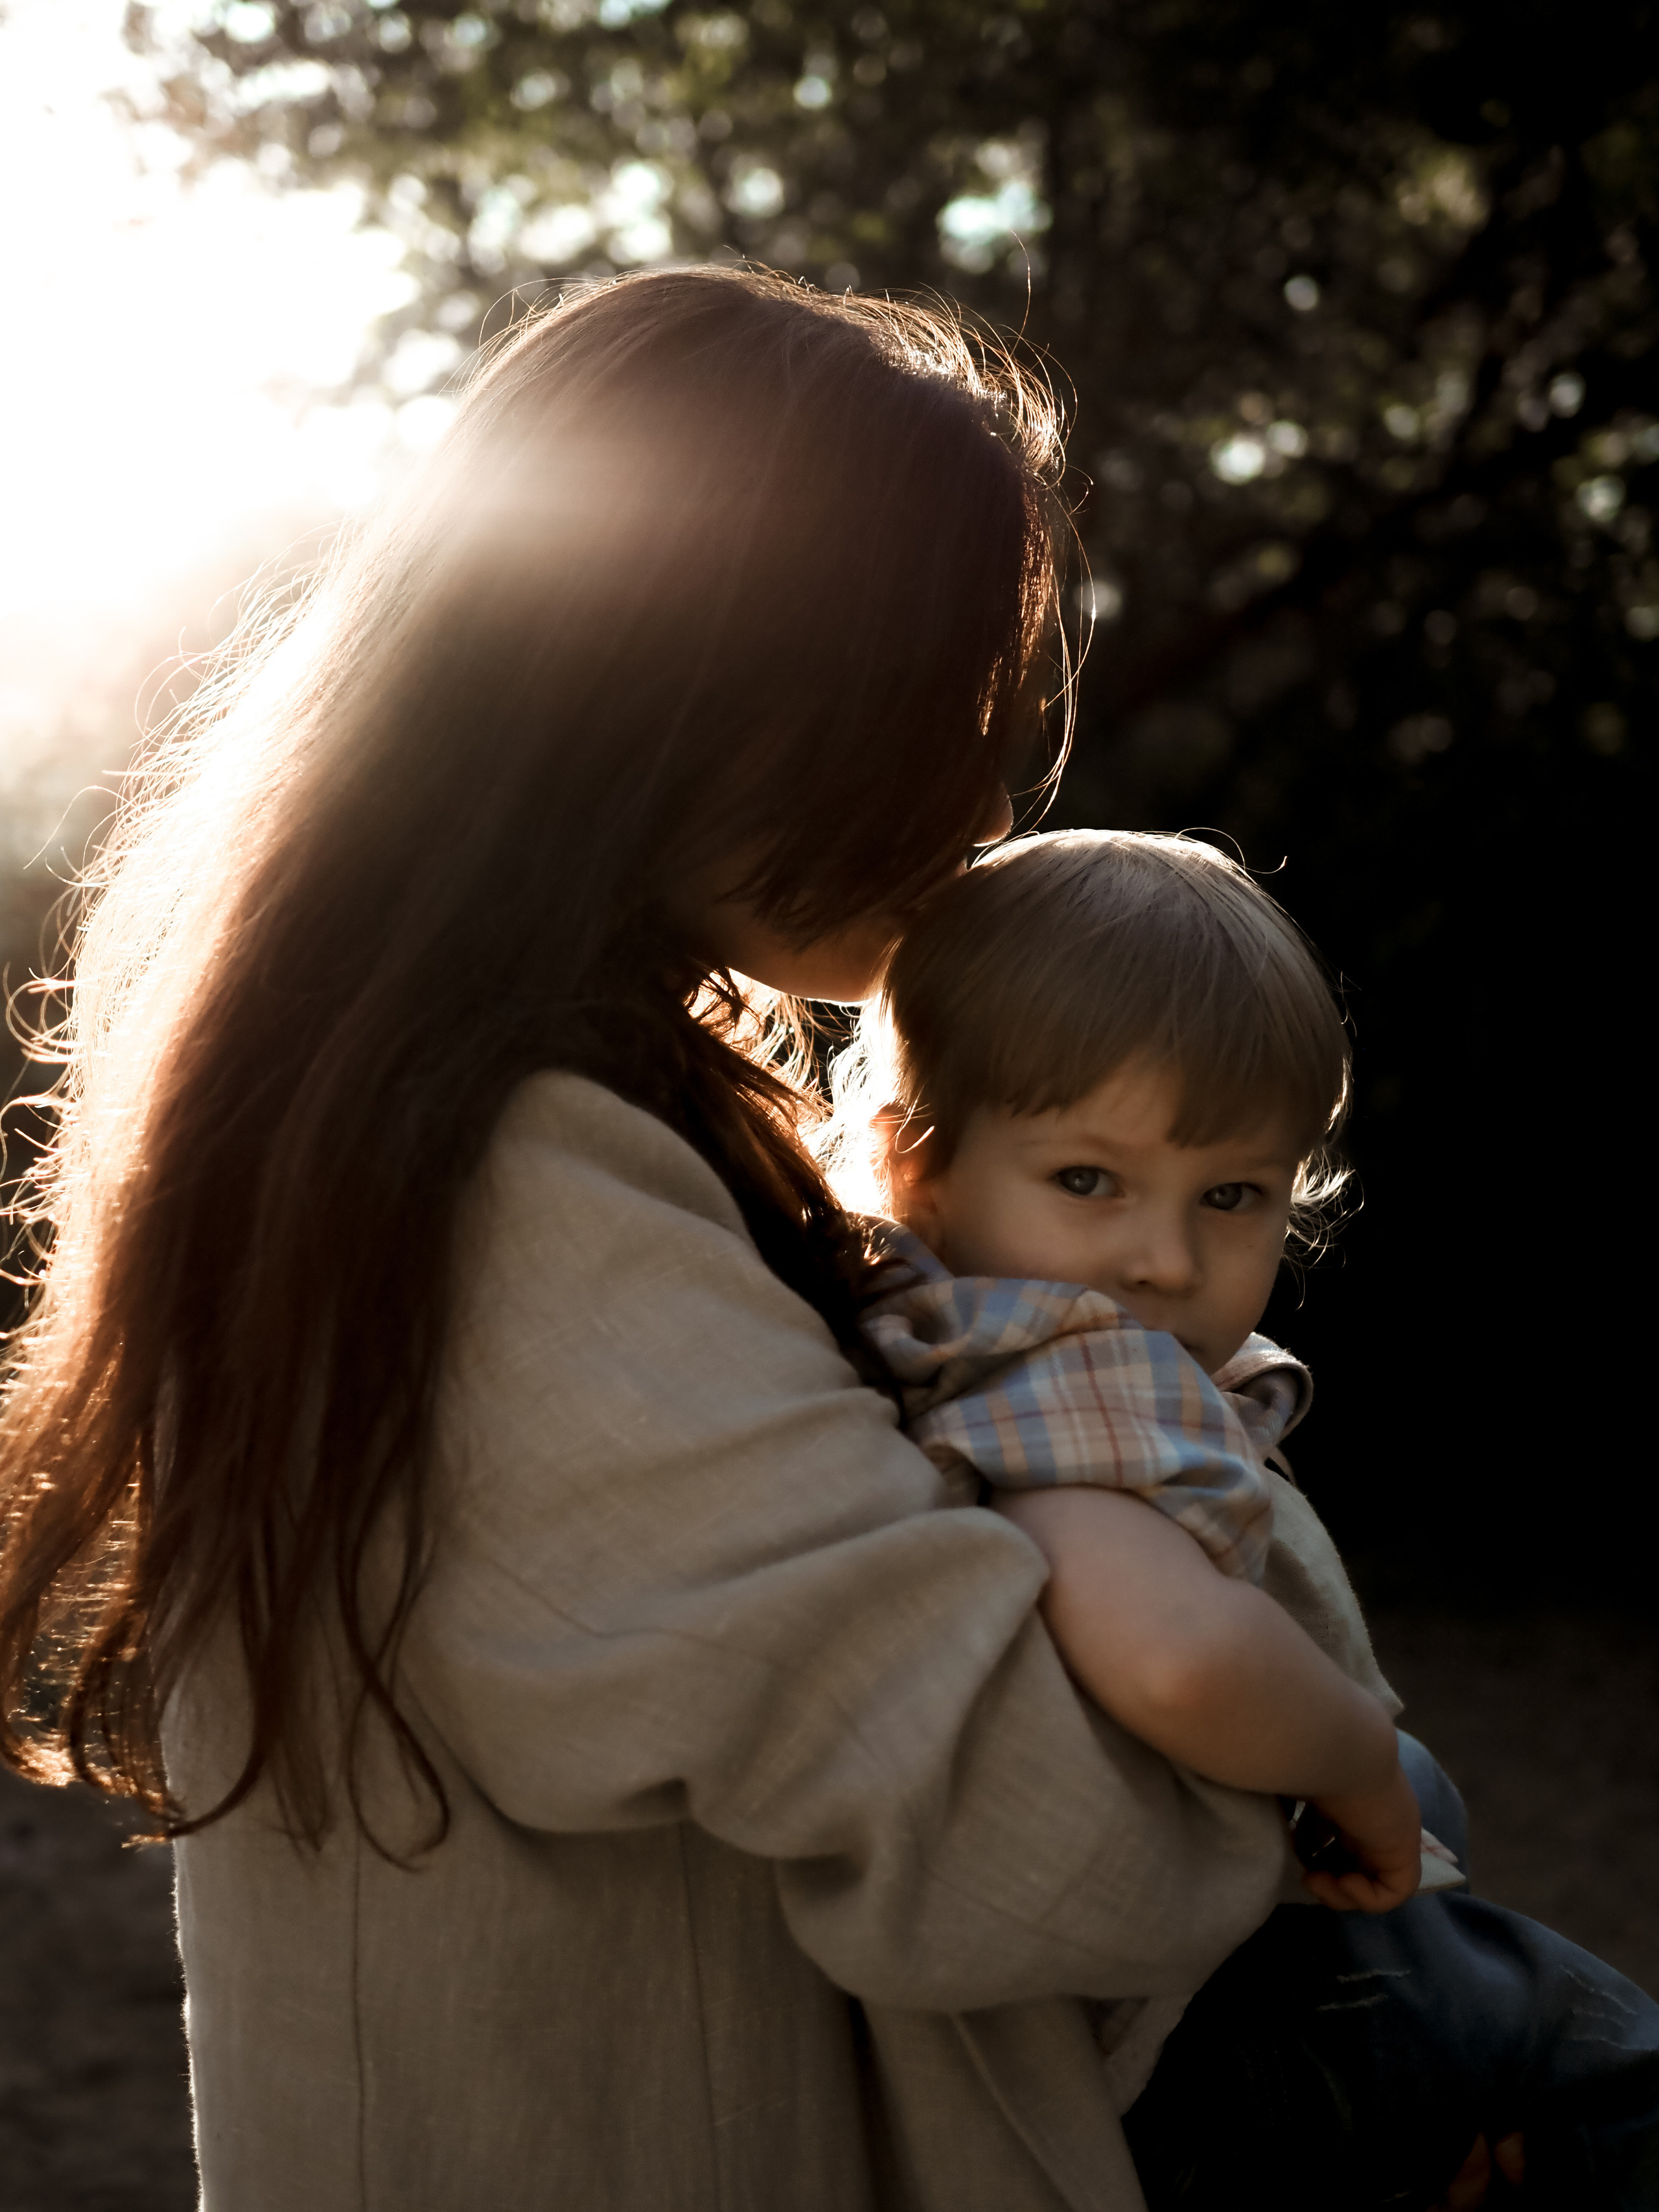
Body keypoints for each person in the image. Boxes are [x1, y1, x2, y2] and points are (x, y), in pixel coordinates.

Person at [0, 266, 1363, 2212]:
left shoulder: (464, 1114)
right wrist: (1312, 1739)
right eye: (935, 708)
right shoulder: (513, 1204)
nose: (980, 801)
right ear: (693, 691)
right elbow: (1032, 1839)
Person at [826, 826, 1659, 2207]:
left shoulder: (953, 1330)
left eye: (1230, 1196)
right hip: (1260, 1993)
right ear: (910, 1164)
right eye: (1086, 1180)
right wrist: (1358, 1765)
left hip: (1197, 2013)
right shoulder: (1073, 1361)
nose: (1160, 1259)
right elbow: (1173, 1654)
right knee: (1609, 2074)